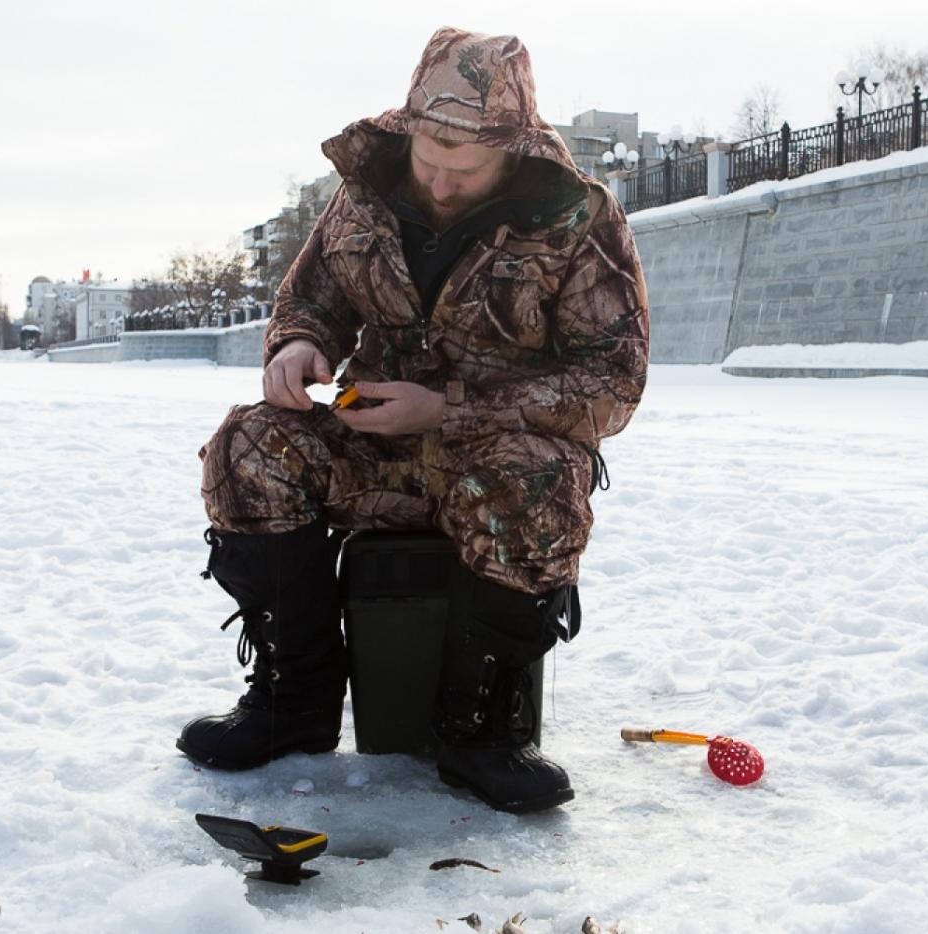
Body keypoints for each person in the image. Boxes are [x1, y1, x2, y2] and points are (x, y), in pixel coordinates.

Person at [180, 26, 649, 814]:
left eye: (460, 170)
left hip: (500, 462)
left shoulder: (576, 218)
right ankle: (294, 701)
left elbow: (614, 382)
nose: (435, 181)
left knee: (535, 480)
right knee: (248, 444)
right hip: (376, 452)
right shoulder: (367, 188)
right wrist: (297, 346)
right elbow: (308, 300)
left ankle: (482, 730)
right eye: (426, 159)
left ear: (512, 147)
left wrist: (450, 407)